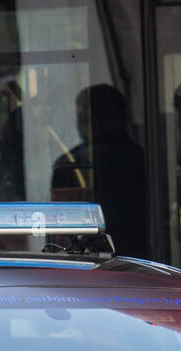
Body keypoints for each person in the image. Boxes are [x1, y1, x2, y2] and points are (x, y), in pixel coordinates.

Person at [50, 84, 149, 258]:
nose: (80, 124)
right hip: (145, 260)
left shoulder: (70, 164)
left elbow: (60, 237)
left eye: (83, 117)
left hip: (91, 267)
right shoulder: (146, 159)